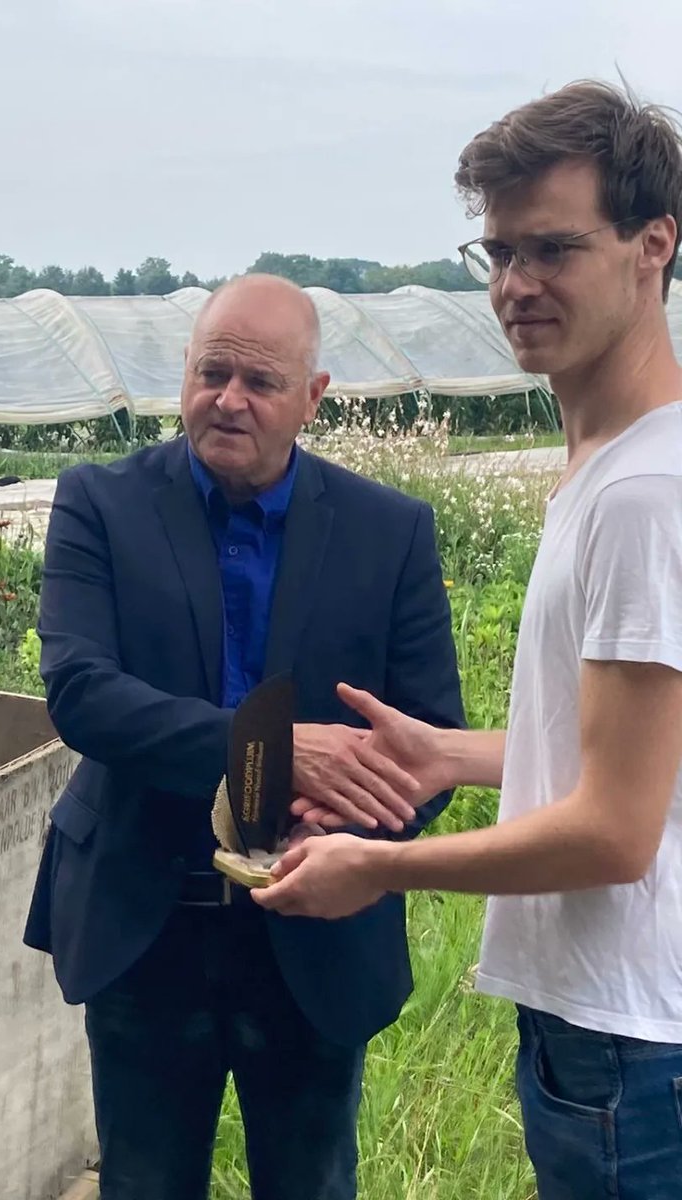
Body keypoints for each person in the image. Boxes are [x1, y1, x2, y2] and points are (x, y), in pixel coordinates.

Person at [254, 81, 682, 1199]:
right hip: (617, 1026)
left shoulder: (646, 493)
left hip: (629, 1039)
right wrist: (454, 757)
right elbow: (639, 752)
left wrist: (379, 869)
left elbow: (614, 835)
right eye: (496, 252)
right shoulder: (611, 469)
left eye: (552, 248)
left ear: (653, 247)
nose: (515, 286)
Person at [23, 273, 465, 1200]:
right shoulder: (100, 504)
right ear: (183, 373)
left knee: (309, 1179)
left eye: (260, 383)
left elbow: (433, 744)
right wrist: (272, 751)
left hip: (313, 926)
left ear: (313, 398)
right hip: (148, 914)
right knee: (144, 1179)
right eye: (211, 371)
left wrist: (351, 842)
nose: (229, 399)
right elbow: (82, 693)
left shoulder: (389, 533)